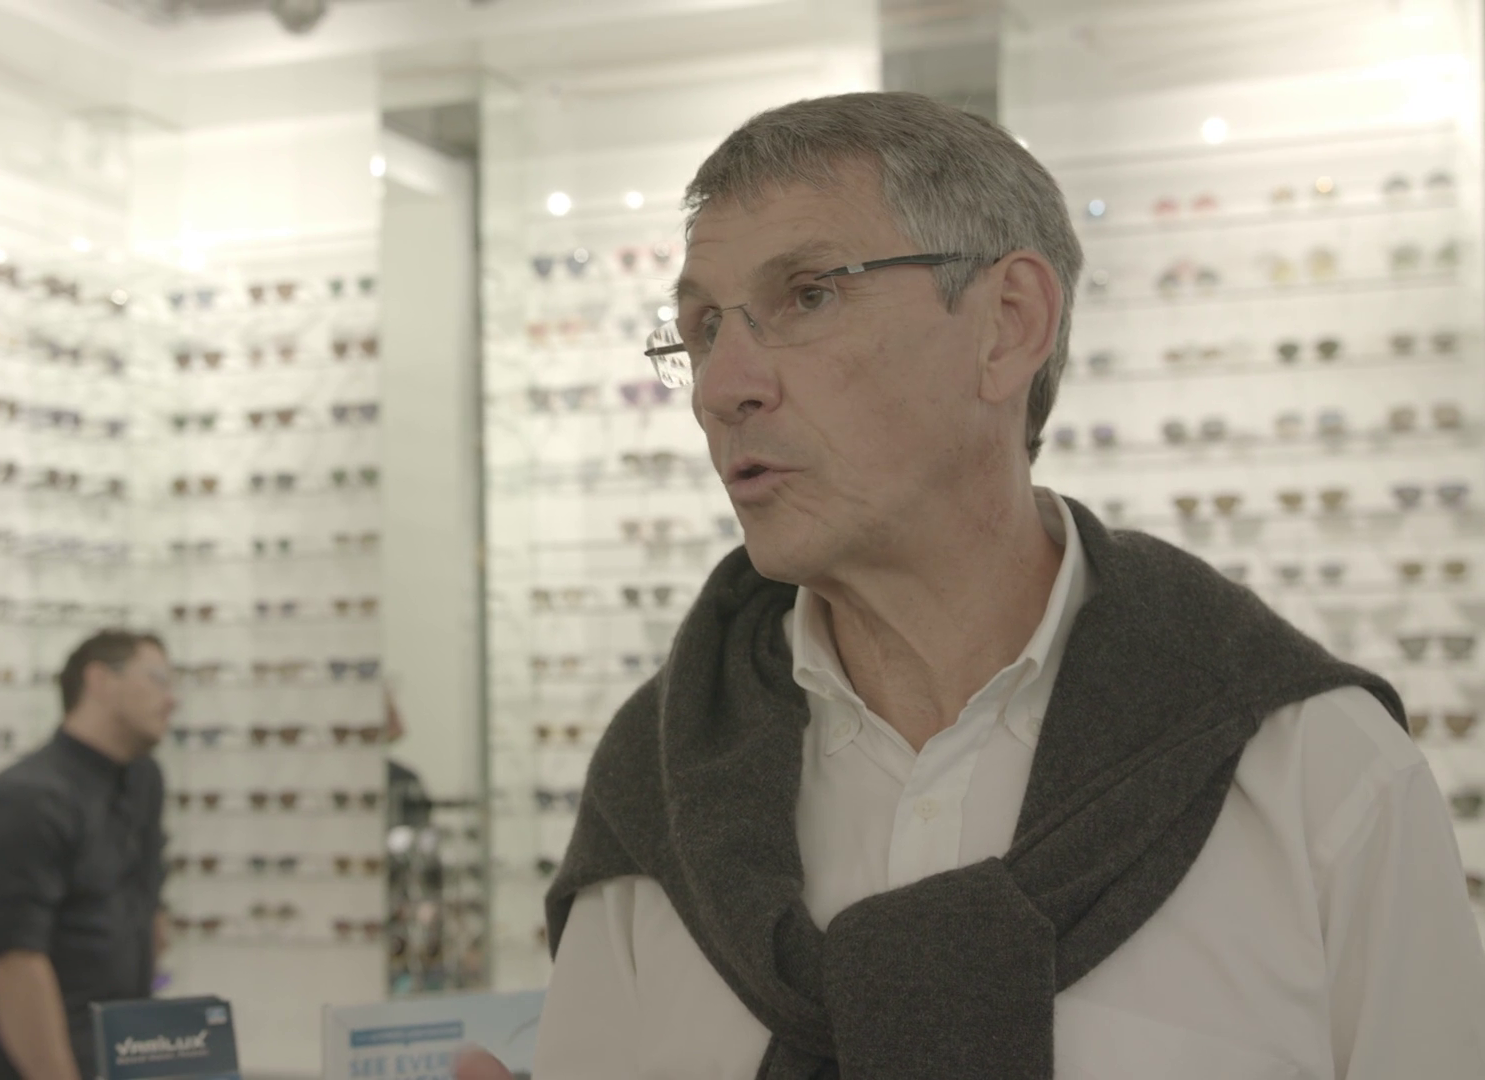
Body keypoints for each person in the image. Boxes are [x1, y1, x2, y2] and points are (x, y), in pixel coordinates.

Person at [460, 91, 1485, 1079]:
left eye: (807, 295)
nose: (725, 388)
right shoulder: (661, 785)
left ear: (1006, 324)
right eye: (702, 331)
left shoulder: (1316, 777)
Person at [0, 629, 176, 1080]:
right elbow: (14, 964)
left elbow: (148, 908)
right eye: (157, 679)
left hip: (120, 1054)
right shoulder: (26, 799)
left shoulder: (142, 781)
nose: (173, 700)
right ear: (99, 681)